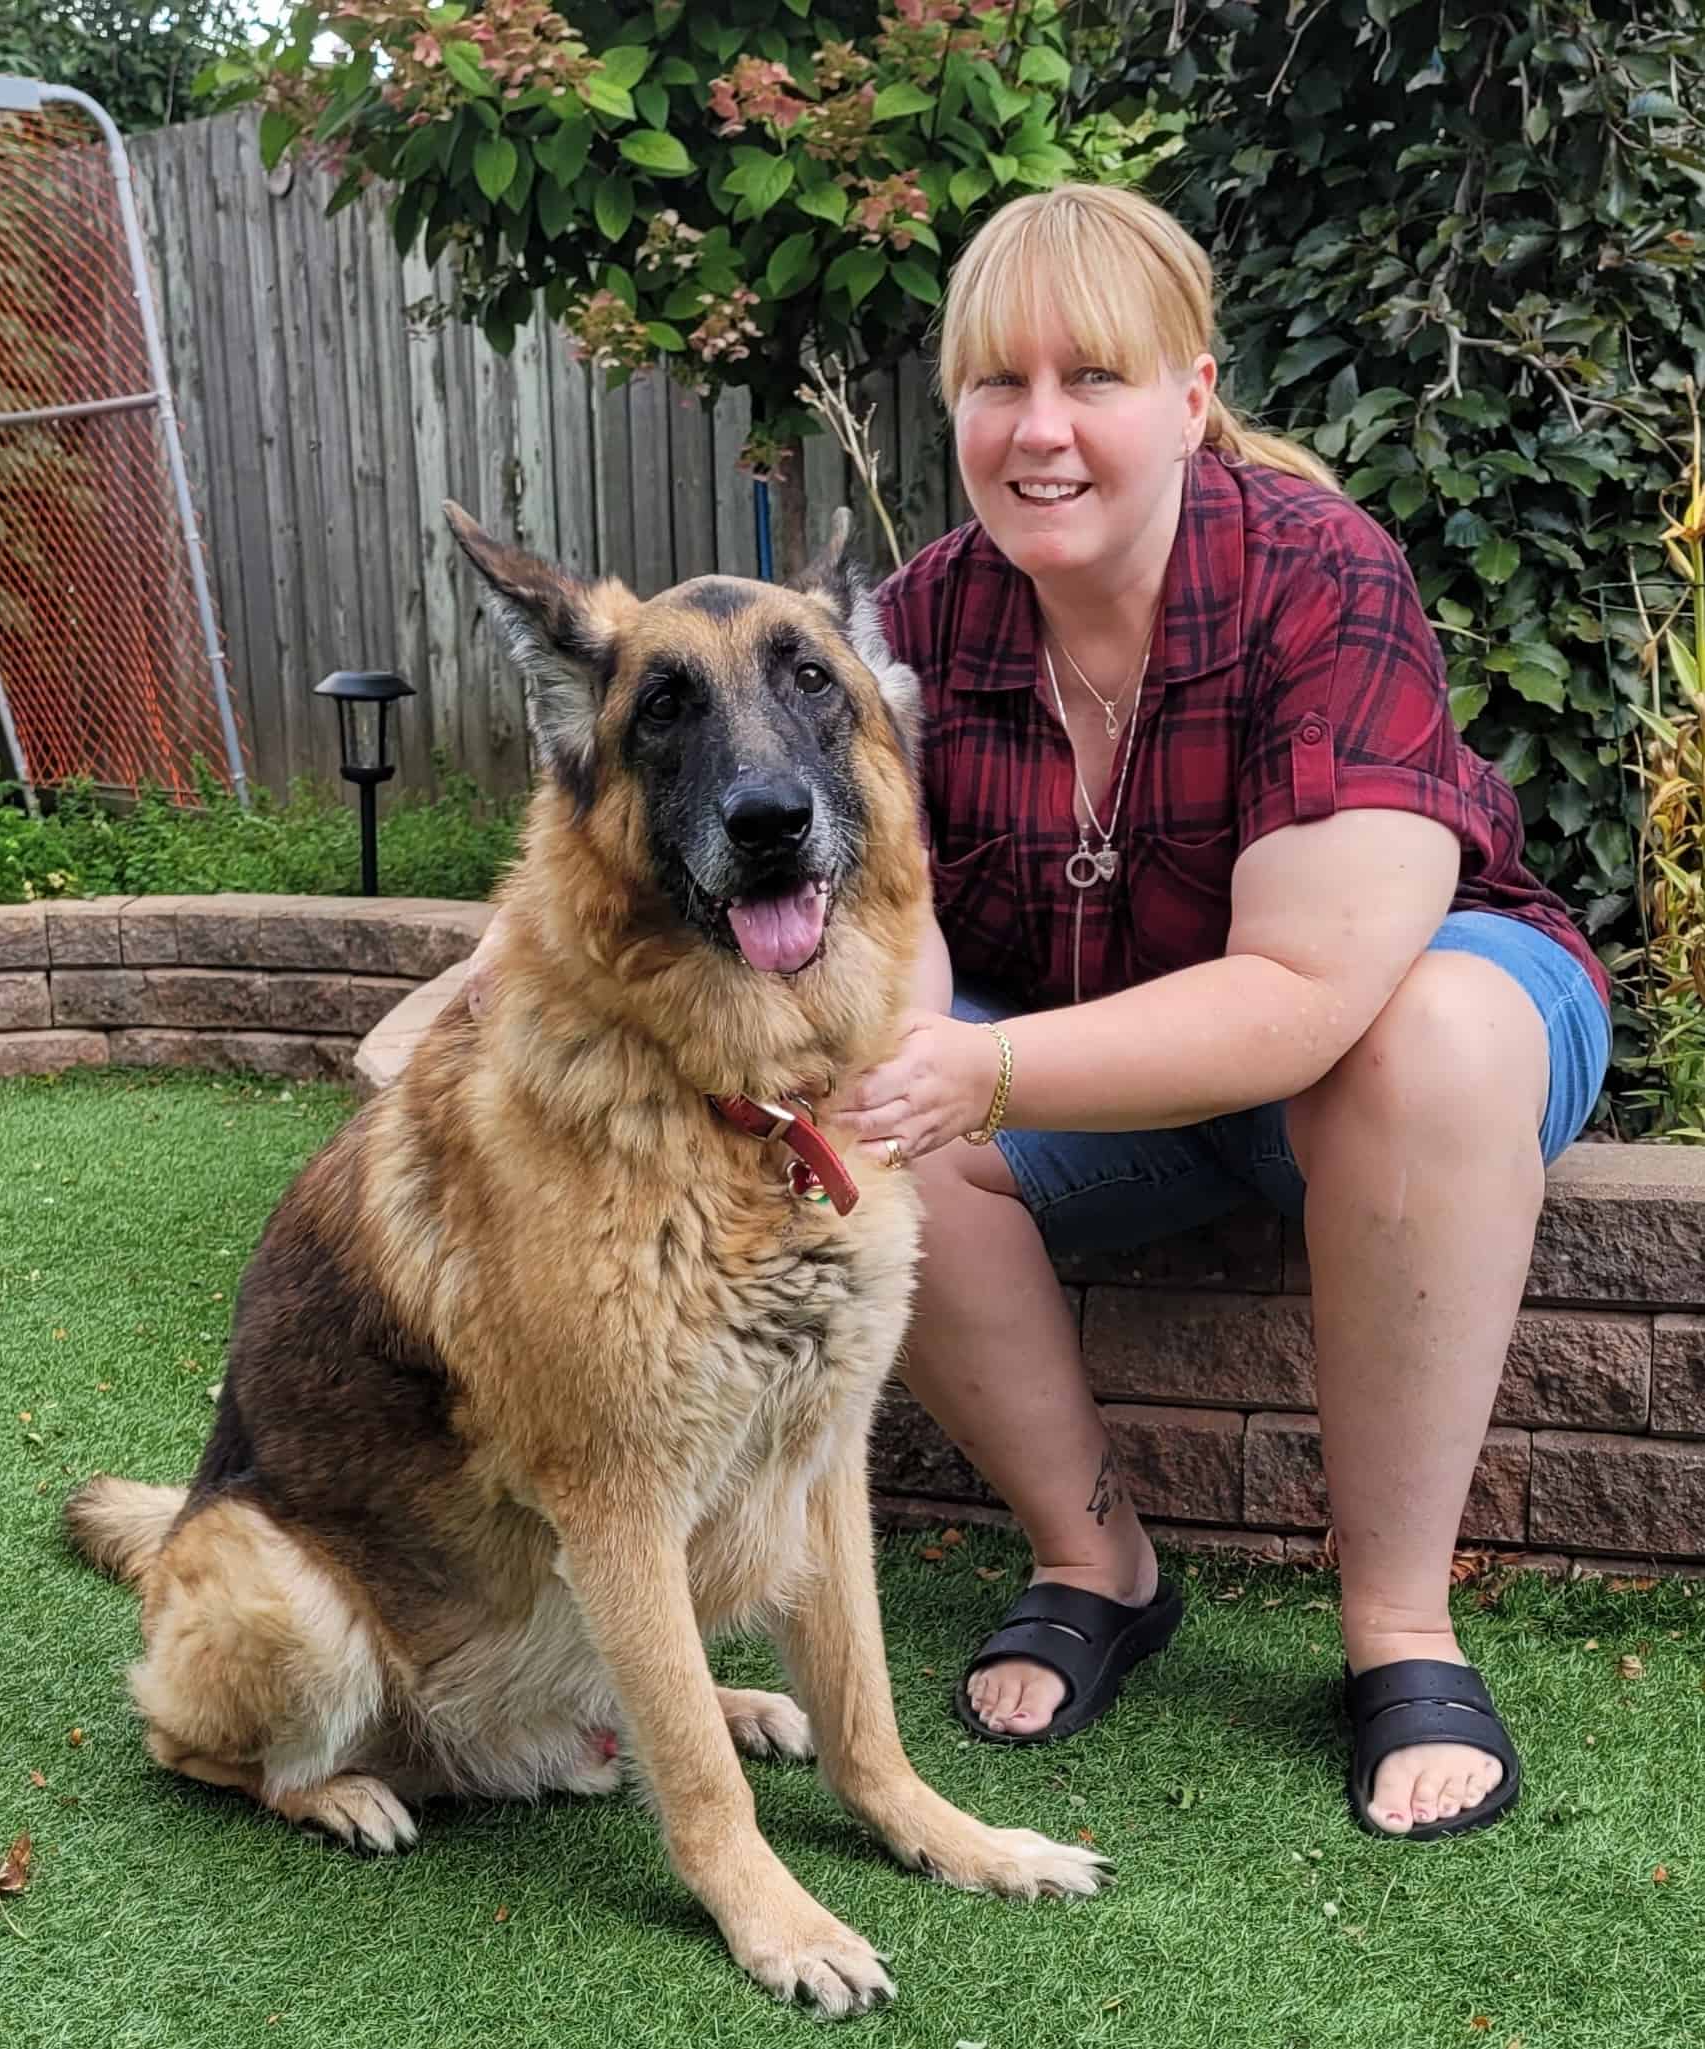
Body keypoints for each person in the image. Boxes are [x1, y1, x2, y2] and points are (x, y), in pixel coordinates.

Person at [463, 182, 1611, 1842]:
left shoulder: (1319, 577)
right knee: (856, 1130)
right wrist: (488, 988)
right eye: (1000, 384)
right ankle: (1098, 1563)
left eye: (1096, 380)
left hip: (1391, 1050)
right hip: (1097, 1058)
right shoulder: (922, 617)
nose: (1043, 429)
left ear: (1194, 396)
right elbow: (867, 919)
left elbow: (1305, 995)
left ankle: (1400, 1628)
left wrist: (980, 1064)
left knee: (1419, 1042)